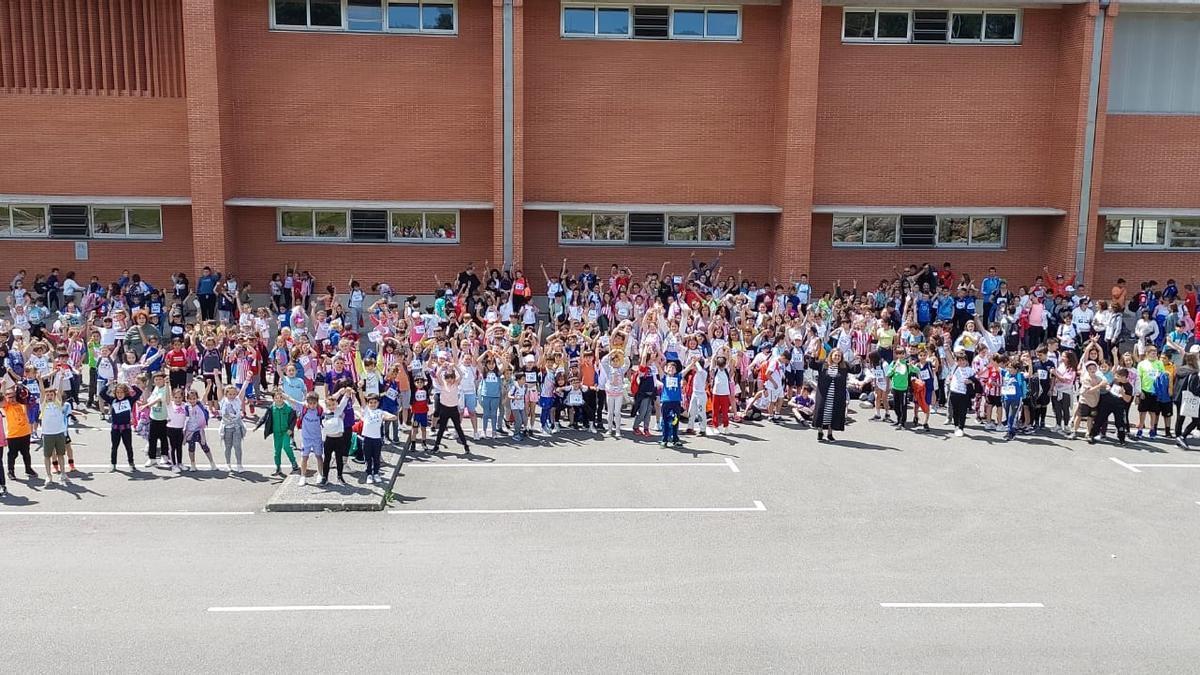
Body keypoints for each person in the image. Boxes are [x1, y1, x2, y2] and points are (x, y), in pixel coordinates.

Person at [813, 348, 848, 443]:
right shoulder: (823, 364)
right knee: (822, 412)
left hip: (836, 395)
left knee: (832, 413)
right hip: (824, 393)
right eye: (835, 355)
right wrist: (813, 355)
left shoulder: (844, 367)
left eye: (839, 356)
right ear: (831, 355)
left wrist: (857, 360)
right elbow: (812, 365)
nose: (837, 357)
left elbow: (856, 370)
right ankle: (820, 431)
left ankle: (830, 433)